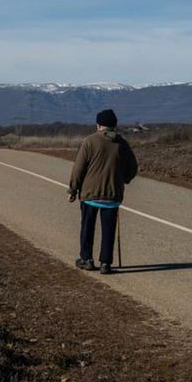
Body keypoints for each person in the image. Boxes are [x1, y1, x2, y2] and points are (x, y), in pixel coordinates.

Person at [68, 109, 139, 275]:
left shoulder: (89, 141)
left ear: (98, 125)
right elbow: (133, 168)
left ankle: (87, 259)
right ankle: (106, 263)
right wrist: (123, 179)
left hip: (90, 193)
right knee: (109, 229)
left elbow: (79, 168)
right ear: (114, 126)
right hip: (112, 194)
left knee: (87, 227)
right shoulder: (122, 143)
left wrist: (73, 189)